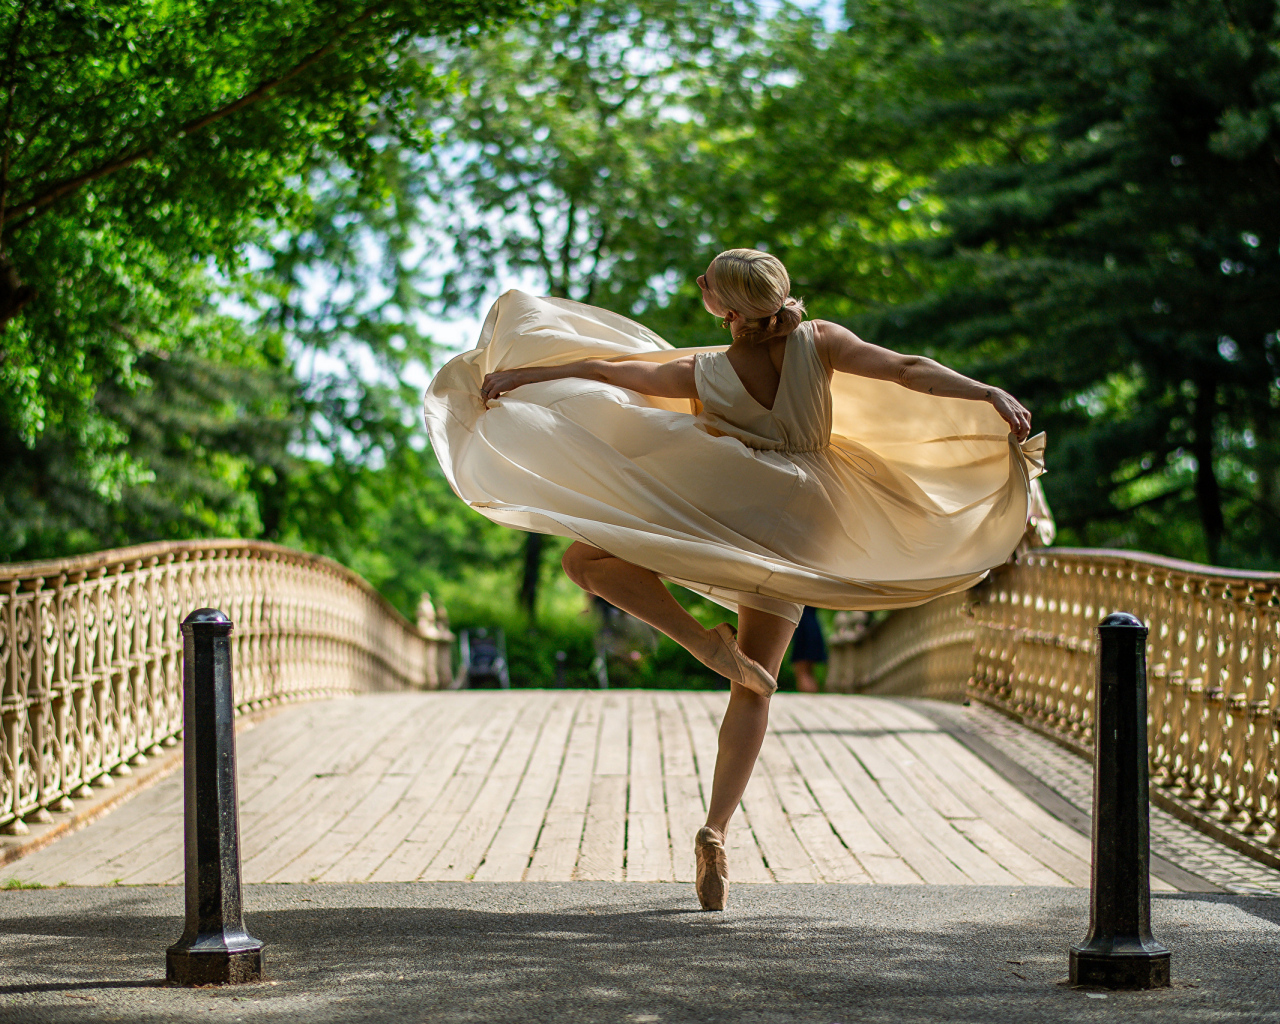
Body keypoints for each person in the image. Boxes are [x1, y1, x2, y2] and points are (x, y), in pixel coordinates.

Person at [424, 248, 1043, 911]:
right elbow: (906, 370)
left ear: (727, 307)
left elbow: (607, 369)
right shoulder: (820, 341)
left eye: (708, 283)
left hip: (730, 506)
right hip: (806, 522)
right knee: (755, 686)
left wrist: (525, 375)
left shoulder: (706, 371)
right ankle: (716, 829)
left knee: (583, 562)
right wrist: (986, 393)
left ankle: (703, 644)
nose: (700, 285)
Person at [790, 606, 827, 693]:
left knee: (802, 671)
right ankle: (811, 696)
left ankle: (808, 695)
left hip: (803, 629)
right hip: (812, 627)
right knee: (807, 671)